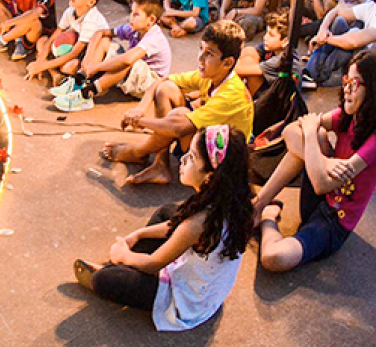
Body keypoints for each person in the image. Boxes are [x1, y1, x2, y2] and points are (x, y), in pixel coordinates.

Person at [74, 125, 251, 332]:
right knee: (168, 212)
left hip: (188, 301)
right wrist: (139, 234)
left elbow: (153, 263)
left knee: (107, 280)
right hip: (210, 287)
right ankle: (126, 266)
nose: (183, 159)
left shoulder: (198, 223)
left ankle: (113, 270)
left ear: (209, 177)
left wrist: (123, 255)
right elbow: (174, 224)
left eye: (192, 157)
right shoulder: (228, 200)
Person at [253, 49, 376, 272]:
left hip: (333, 223)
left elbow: (322, 183)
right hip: (319, 199)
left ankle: (267, 215)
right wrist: (325, 159)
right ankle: (260, 202)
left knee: (273, 257)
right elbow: (290, 132)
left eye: (356, 83)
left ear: (374, 89)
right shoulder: (347, 116)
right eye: (346, 80)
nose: (347, 89)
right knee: (315, 137)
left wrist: (311, 133)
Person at [101, 20, 253, 186]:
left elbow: (178, 127)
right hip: (208, 141)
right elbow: (162, 80)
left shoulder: (232, 93)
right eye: (201, 49)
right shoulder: (212, 76)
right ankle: (160, 164)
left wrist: (138, 122)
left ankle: (138, 152)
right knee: (166, 89)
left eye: (209, 53)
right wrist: (140, 109)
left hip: (222, 160)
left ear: (228, 63)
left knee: (179, 117)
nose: (200, 58)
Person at [57, 0, 172, 111]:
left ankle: (87, 94)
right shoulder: (135, 29)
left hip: (150, 85)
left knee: (129, 60)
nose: (131, 17)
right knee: (105, 40)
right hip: (134, 75)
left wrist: (97, 67)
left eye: (136, 15)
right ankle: (81, 80)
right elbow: (100, 33)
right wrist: (88, 58)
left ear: (151, 19)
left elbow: (128, 60)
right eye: (131, 12)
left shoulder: (154, 37)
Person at [25, 0, 107, 83]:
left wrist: (42, 66)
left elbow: (75, 52)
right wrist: (40, 60)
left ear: (91, 2)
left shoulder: (91, 20)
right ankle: (55, 74)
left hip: (88, 54)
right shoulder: (70, 11)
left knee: (68, 67)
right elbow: (56, 34)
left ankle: (53, 70)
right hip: (73, 47)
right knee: (42, 42)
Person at [236, 10, 297, 98]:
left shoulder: (282, 59)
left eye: (271, 35)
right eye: (266, 33)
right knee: (249, 52)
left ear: (285, 41)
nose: (265, 37)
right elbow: (248, 52)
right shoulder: (275, 48)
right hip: (271, 89)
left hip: (279, 103)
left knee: (247, 67)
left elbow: (239, 70)